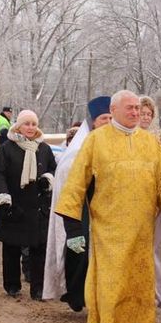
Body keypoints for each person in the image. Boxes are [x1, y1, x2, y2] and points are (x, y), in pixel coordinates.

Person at [55, 90, 161, 323]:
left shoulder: (150, 144)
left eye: (138, 108)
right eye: (130, 108)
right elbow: (76, 184)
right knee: (109, 287)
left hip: (141, 233)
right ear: (114, 110)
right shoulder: (96, 141)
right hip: (108, 231)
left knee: (139, 290)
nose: (136, 112)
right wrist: (74, 227)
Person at [43, 95, 112, 311]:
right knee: (79, 252)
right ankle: (76, 293)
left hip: (108, 212)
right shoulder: (77, 151)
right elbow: (68, 187)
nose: (108, 123)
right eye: (104, 119)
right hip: (80, 213)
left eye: (112, 118)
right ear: (92, 123)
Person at [0, 109, 57, 300]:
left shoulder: (43, 148)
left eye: (33, 124)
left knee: (39, 248)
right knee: (12, 247)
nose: (30, 127)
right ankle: (12, 284)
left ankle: (38, 288)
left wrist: (48, 178)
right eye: (26, 124)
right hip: (14, 202)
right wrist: (3, 196)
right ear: (18, 126)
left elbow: (53, 168)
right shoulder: (7, 148)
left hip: (37, 204)